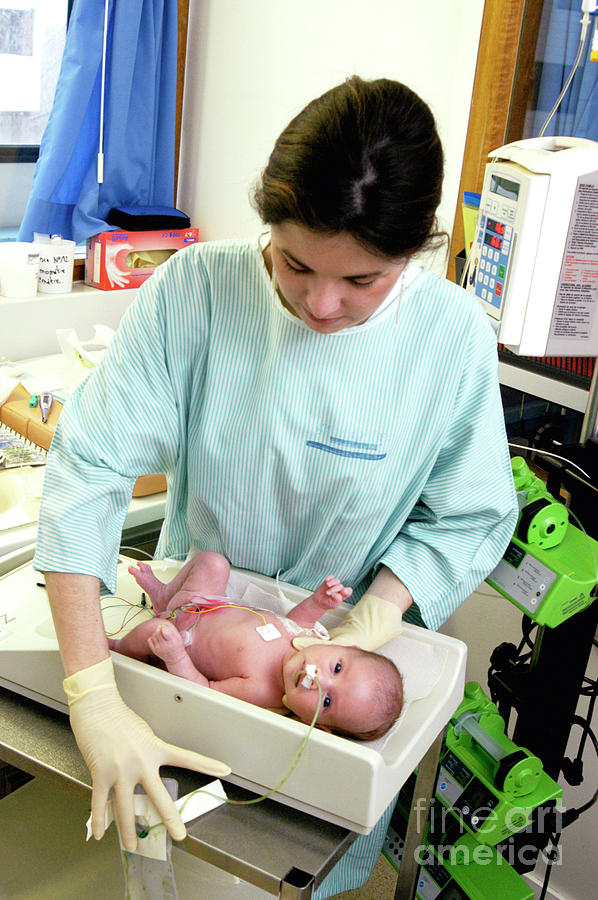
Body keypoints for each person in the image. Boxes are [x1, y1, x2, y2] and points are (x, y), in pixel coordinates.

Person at [35, 75, 518, 895]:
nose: (321, 304)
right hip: (187, 652)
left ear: (415, 250)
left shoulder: (451, 338)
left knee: (288, 867)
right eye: (295, 264)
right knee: (169, 864)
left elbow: (465, 515)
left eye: (361, 281)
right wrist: (91, 692)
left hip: (320, 696)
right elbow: (90, 464)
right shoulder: (197, 291)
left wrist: (373, 619)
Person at [108, 552, 403, 741]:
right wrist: (318, 603)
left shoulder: (262, 690)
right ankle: (166, 595)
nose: (317, 678)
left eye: (326, 702)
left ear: (313, 724)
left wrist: (174, 655)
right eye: (337, 667)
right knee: (213, 563)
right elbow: (296, 619)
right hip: (204, 603)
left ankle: (121, 649)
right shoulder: (306, 640)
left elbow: (204, 689)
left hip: (180, 638)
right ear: (343, 647)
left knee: (152, 630)